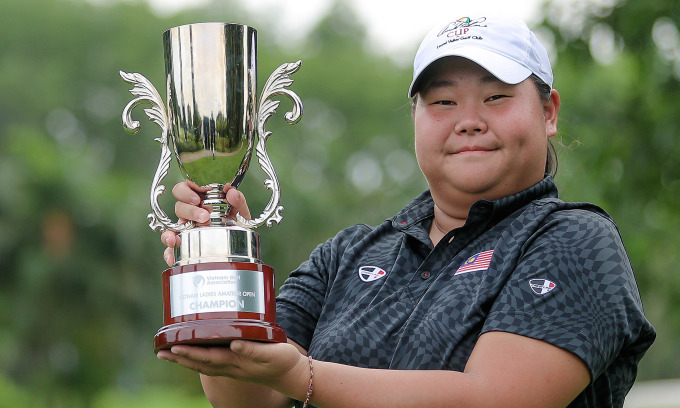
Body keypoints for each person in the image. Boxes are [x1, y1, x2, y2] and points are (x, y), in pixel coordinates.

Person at [157, 13, 656, 408]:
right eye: (442, 102)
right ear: (415, 118)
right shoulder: (346, 254)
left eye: (495, 97)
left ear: (548, 112)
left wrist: (299, 375)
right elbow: (251, 396)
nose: (468, 122)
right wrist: (221, 266)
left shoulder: (574, 239)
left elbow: (496, 399)